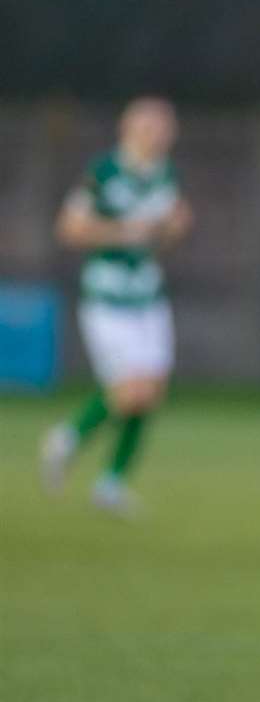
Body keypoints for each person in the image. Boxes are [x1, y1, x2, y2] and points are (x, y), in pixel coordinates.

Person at [40, 97, 193, 514]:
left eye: (167, 127)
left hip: (147, 293)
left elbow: (161, 236)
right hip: (108, 295)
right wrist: (123, 231)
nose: (162, 134)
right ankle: (67, 437)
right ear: (131, 129)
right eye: (153, 126)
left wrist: (173, 230)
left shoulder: (167, 175)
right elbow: (69, 228)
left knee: (152, 390)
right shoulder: (104, 173)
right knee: (130, 391)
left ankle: (111, 483)